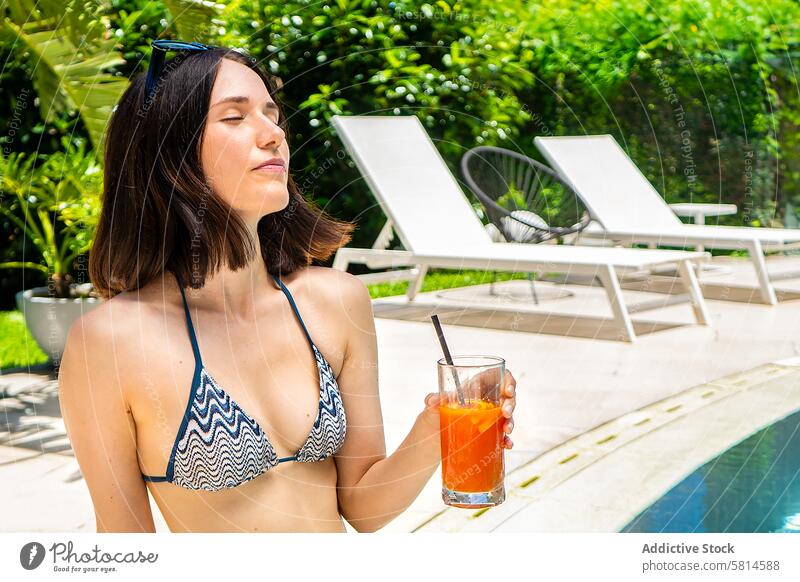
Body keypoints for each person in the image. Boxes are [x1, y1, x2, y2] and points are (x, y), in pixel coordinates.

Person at [58, 41, 517, 533]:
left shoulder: (334, 301)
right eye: (235, 118)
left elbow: (364, 509)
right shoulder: (110, 343)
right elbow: (124, 545)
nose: (273, 133)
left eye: (271, 114)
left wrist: (438, 424)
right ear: (169, 155)